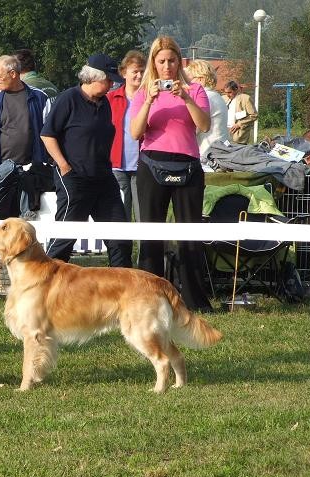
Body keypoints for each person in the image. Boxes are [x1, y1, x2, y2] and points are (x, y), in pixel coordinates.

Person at [130, 36, 212, 312]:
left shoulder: (196, 90)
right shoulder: (144, 92)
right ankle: (147, 297)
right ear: (154, 62)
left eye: (172, 60)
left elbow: (204, 125)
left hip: (188, 165)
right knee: (151, 233)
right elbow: (135, 132)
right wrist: (149, 101)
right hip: (151, 165)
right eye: (161, 61)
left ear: (180, 62)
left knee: (190, 235)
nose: (167, 67)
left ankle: (194, 299)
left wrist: (186, 97)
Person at [41, 54, 132, 267]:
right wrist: (64, 166)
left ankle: (120, 288)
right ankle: (44, 285)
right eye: (108, 80)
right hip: (75, 177)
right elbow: (47, 134)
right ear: (93, 77)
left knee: (120, 237)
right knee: (65, 236)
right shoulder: (68, 99)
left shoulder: (105, 104)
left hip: (104, 178)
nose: (111, 85)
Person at [0, 54, 51, 218]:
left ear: (13, 74)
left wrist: (44, 163)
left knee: (28, 227)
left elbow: (50, 134)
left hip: (32, 175)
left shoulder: (40, 98)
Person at [106, 50, 146, 223]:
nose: (139, 75)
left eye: (142, 71)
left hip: (143, 165)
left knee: (143, 215)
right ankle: (123, 250)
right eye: (135, 71)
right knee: (120, 215)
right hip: (117, 165)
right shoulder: (110, 98)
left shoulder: (150, 98)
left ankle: (145, 250)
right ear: (124, 73)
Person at [185, 60, 229, 163]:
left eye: (189, 80)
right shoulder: (216, 96)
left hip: (208, 155)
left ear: (201, 79)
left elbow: (193, 129)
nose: (186, 84)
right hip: (217, 152)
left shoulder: (207, 98)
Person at [223, 80, 257, 145]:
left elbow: (254, 115)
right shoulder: (224, 98)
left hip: (238, 134)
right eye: (226, 92)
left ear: (236, 90)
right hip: (225, 132)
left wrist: (239, 124)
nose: (227, 95)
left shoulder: (246, 98)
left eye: (230, 92)